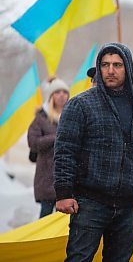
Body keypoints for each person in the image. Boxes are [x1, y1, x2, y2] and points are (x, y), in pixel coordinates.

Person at [53, 43, 133, 262]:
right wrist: (63, 193)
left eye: (117, 65)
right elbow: (65, 152)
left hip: (129, 205)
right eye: (105, 65)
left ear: (128, 69)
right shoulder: (80, 105)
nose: (110, 70)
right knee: (79, 259)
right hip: (90, 202)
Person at [28, 77, 70, 218]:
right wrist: (55, 137)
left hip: (67, 179)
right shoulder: (41, 119)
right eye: (58, 92)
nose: (62, 95)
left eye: (65, 92)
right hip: (46, 178)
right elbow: (33, 143)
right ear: (51, 96)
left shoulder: (72, 117)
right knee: (45, 219)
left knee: (63, 222)